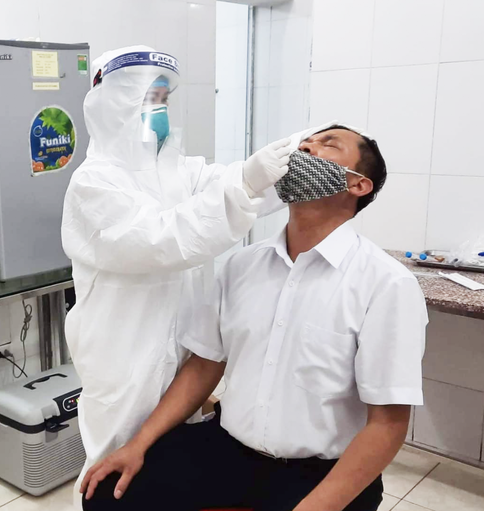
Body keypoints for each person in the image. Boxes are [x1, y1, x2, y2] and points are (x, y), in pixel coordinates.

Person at [79, 125, 428, 511]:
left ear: (357, 184)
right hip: (228, 450)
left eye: (328, 144)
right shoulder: (242, 266)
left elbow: (388, 423)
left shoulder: (386, 284)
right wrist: (138, 444)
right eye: (305, 142)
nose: (306, 147)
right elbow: (205, 364)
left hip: (321, 470)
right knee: (107, 494)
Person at [61, 45, 293, 506]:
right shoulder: (94, 182)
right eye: (151, 98)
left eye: (165, 99)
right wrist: (248, 181)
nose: (161, 110)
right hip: (123, 352)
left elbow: (234, 189)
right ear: (115, 103)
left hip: (181, 345)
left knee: (172, 462)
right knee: (116, 471)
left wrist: (299, 155)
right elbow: (162, 240)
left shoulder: (178, 172)